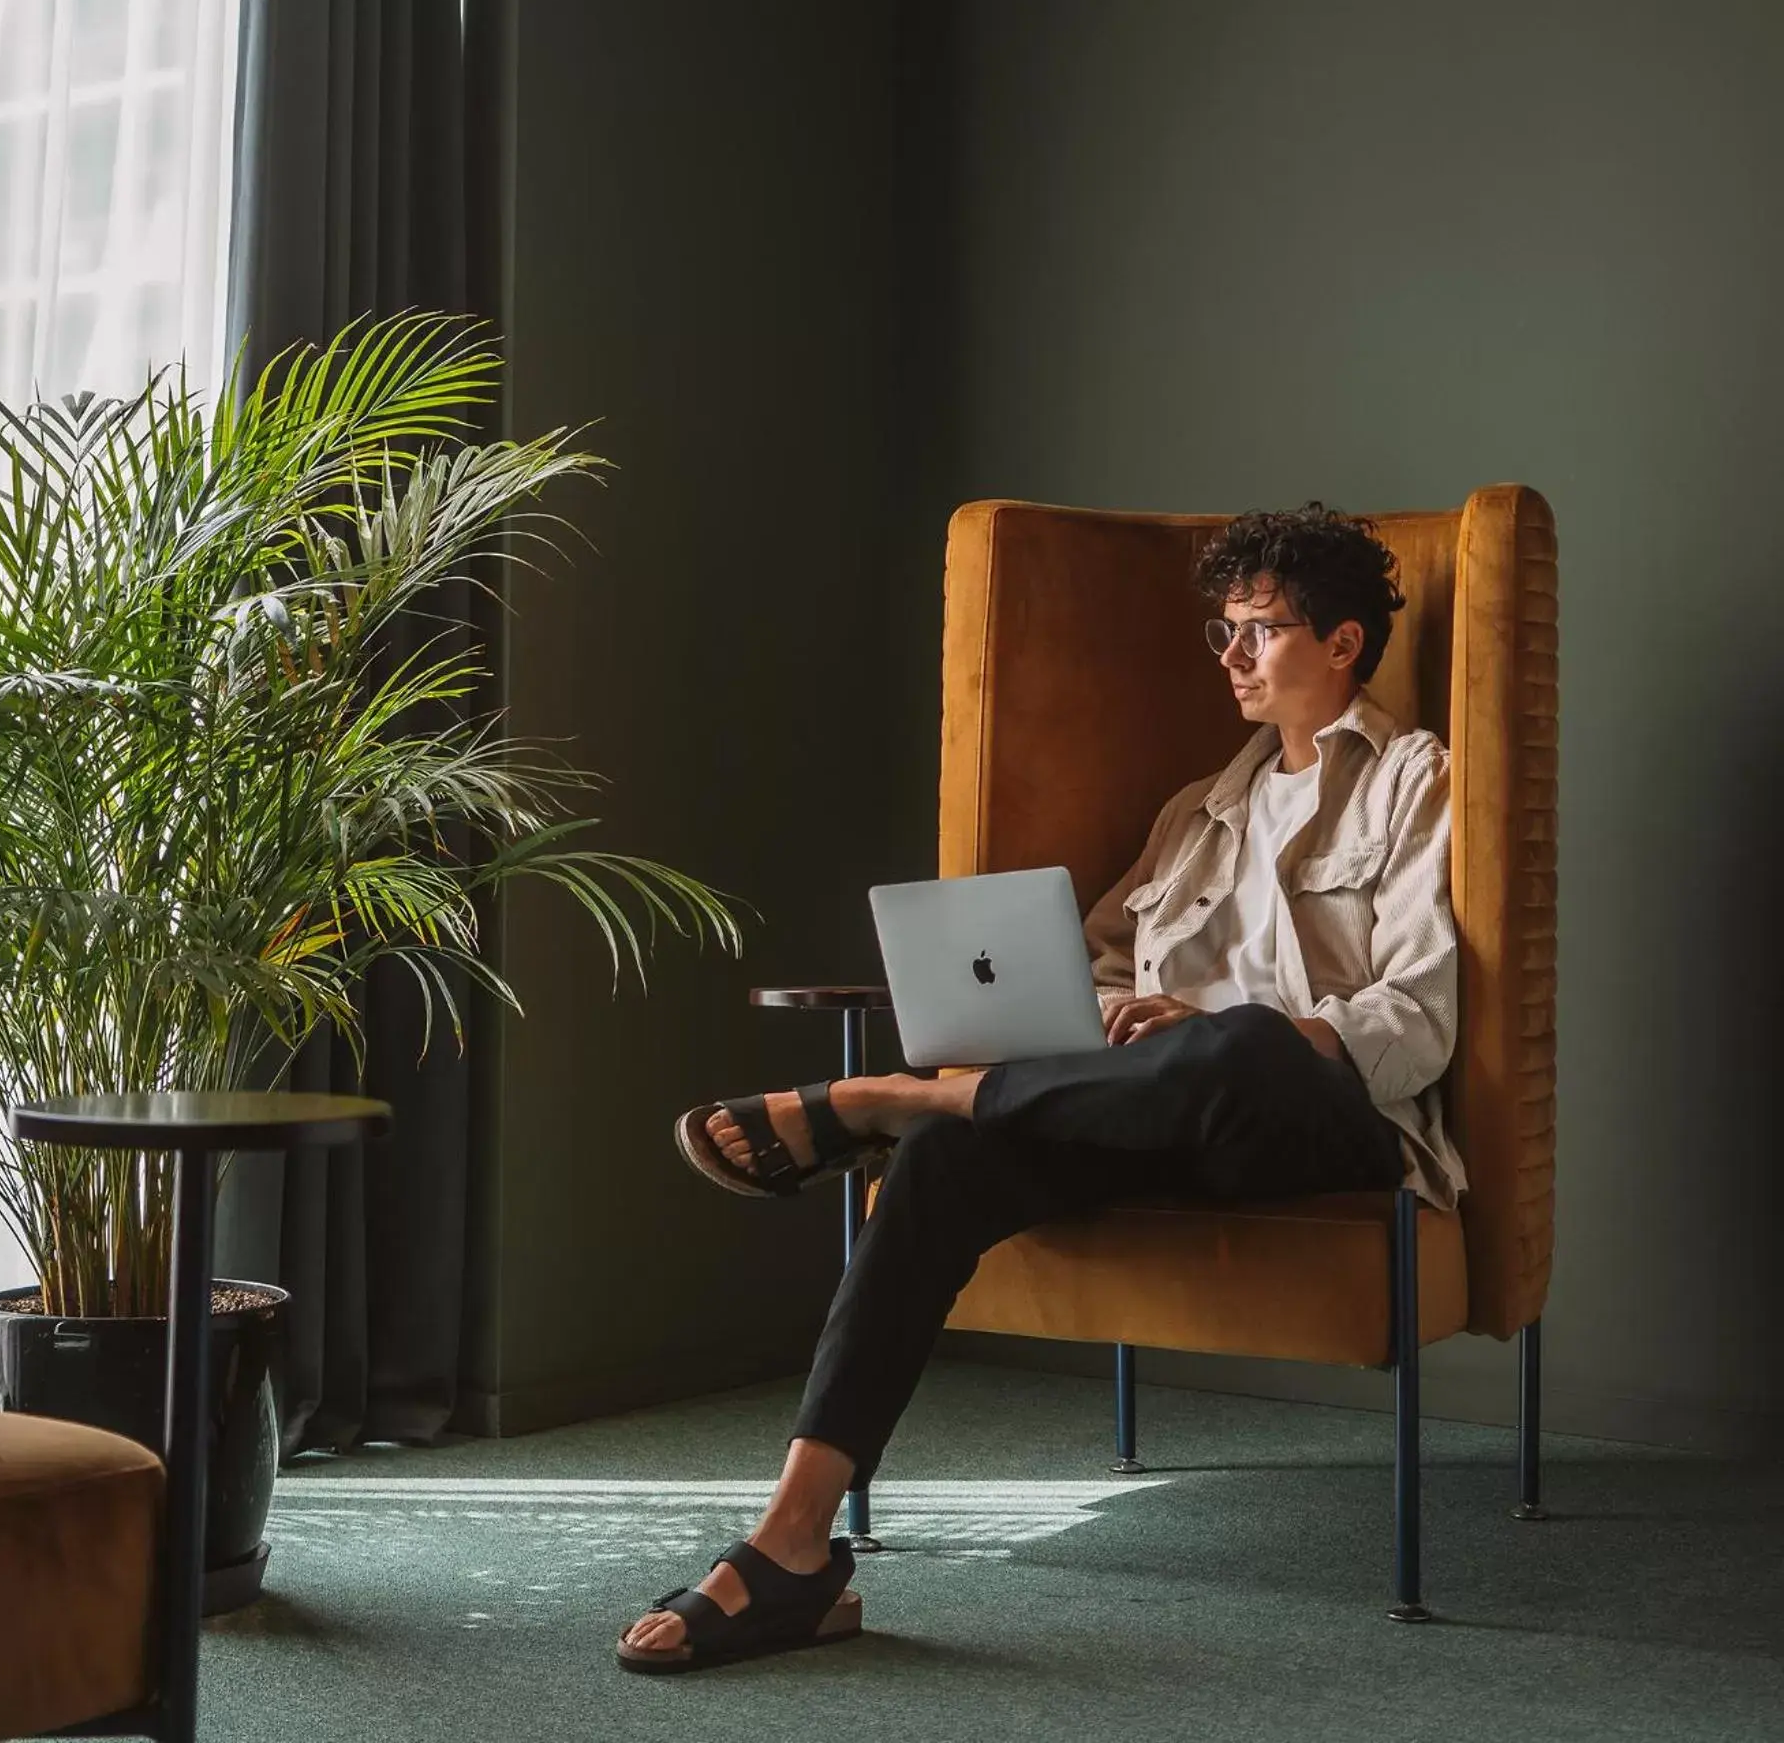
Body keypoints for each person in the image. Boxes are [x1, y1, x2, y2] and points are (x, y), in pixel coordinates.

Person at [616, 502, 1465, 1675]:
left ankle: (899, 1094)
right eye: (1221, 630)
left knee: (1243, 1043)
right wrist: (1111, 1004)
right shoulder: (1196, 811)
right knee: (948, 1163)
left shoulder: (1416, 782)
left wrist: (1209, 1025)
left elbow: (1414, 1022)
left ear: (1343, 644)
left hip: (1318, 1118)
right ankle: (793, 1544)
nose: (1228, 656)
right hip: (1135, 1105)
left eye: (1258, 631)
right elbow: (1097, 959)